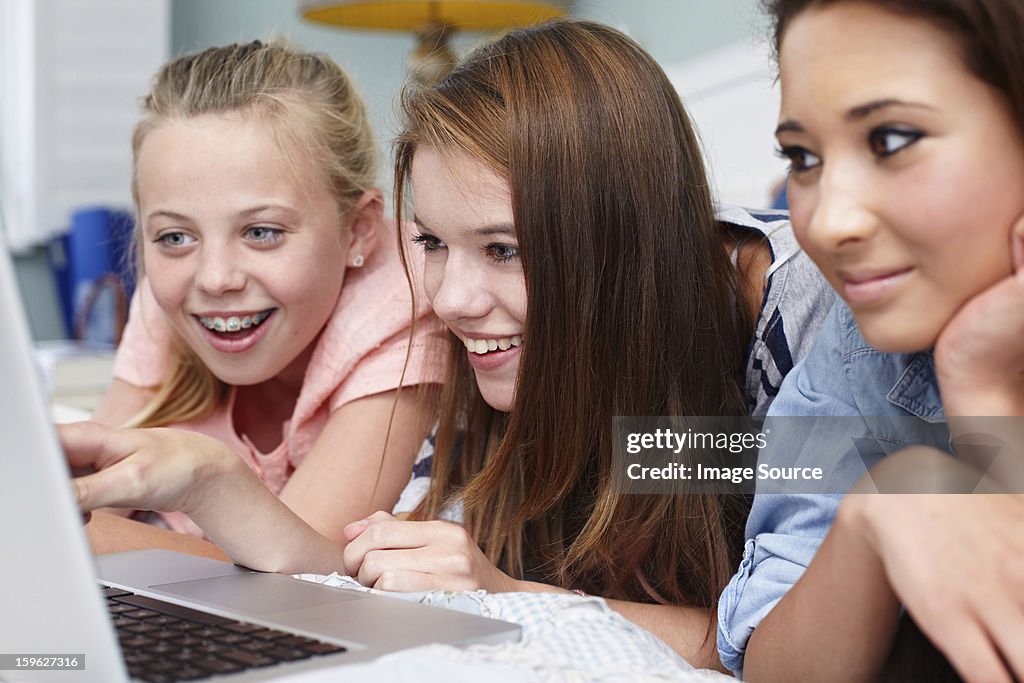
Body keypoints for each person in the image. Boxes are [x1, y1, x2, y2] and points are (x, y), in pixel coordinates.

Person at [62, 19, 832, 668]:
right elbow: (372, 573)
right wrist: (215, 481)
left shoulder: (797, 313)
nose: (450, 302)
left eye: (504, 249)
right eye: (430, 241)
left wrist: (509, 590)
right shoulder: (509, 362)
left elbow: (766, 645)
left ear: (620, 240)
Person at [716, 2, 1024, 681]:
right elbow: (768, 660)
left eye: (890, 139)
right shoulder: (856, 346)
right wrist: (887, 500)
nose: (828, 222)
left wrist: (985, 391)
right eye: (803, 157)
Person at [85, 40, 445, 559]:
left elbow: (300, 564)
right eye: (174, 236)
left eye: (261, 232)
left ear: (359, 230)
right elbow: (86, 489)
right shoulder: (174, 293)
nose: (214, 278)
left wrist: (63, 534)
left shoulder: (409, 298)